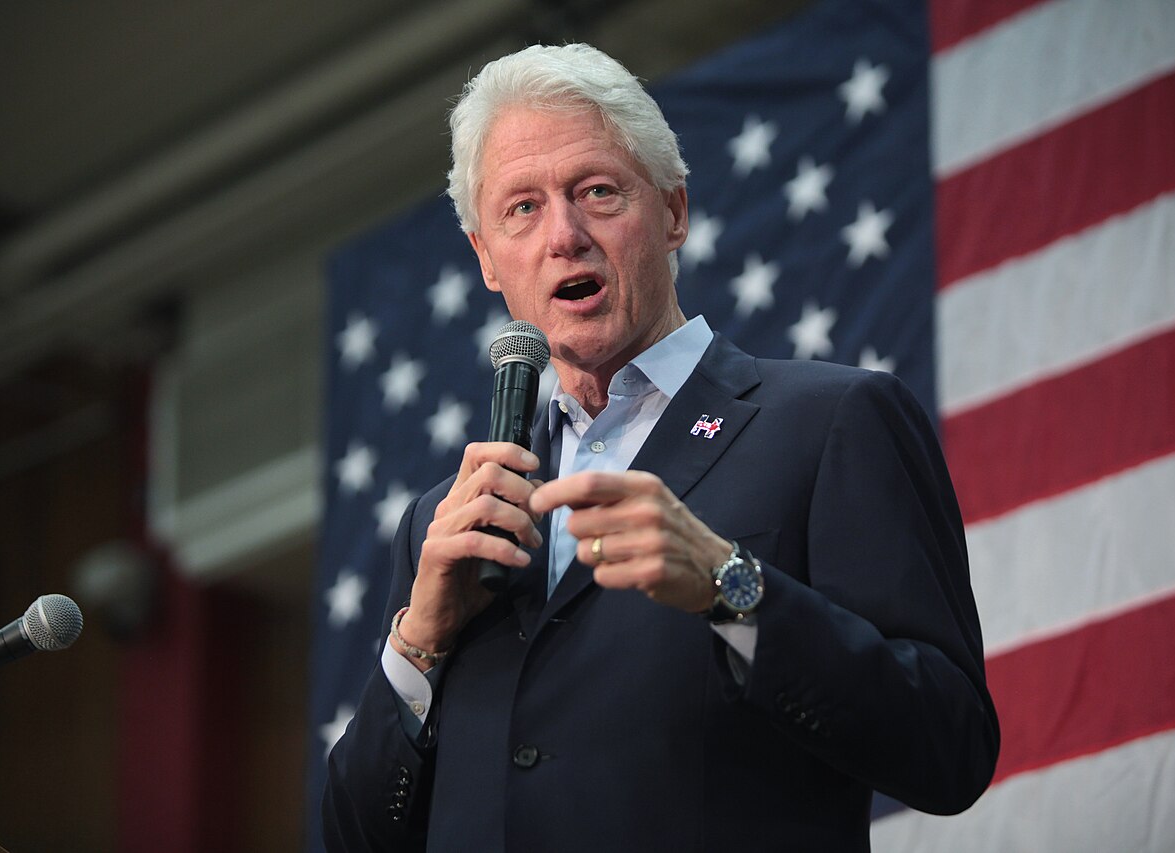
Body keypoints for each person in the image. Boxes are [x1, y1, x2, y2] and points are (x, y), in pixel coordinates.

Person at [322, 43, 999, 852]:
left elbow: (950, 744)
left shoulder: (831, 423)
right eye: (523, 208)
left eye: (597, 192)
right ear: (486, 259)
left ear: (673, 212)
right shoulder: (444, 522)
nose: (564, 235)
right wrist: (419, 642)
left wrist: (731, 587)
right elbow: (355, 836)